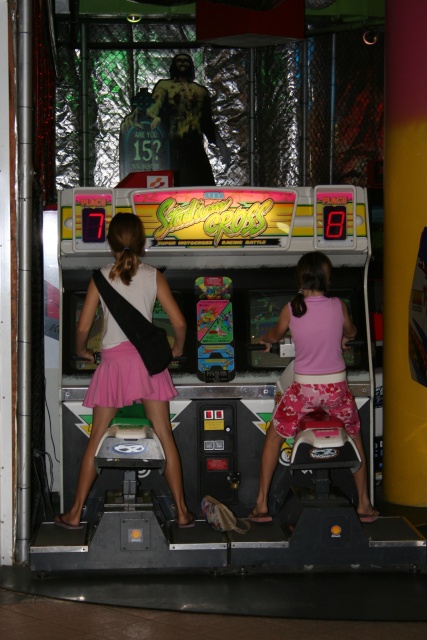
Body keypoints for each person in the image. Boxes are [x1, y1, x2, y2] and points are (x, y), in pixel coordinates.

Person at [55, 213, 194, 529]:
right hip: (149, 364)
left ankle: (75, 513)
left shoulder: (100, 278)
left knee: (96, 438)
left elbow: (82, 327)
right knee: (165, 436)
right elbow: (181, 323)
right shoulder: (153, 275)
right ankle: (183, 513)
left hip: (114, 365)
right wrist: (177, 350)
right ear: (141, 241)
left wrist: (81, 351)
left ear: (111, 243)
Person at [250, 251, 379, 524]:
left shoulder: (290, 309)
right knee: (355, 434)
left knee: (274, 436)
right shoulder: (338, 305)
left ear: (300, 278)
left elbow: (274, 335)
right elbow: (353, 332)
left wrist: (264, 337)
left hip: (305, 391)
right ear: (327, 279)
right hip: (336, 390)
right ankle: (364, 504)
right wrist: (343, 337)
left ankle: (261, 503)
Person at [146, 52, 229, 186]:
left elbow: (206, 121)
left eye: (186, 61)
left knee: (201, 180)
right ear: (174, 65)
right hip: (172, 142)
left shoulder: (200, 91)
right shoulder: (164, 86)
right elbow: (154, 108)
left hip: (194, 142)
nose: (183, 64)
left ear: (191, 66)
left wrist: (220, 144)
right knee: (175, 180)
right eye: (179, 61)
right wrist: (154, 118)